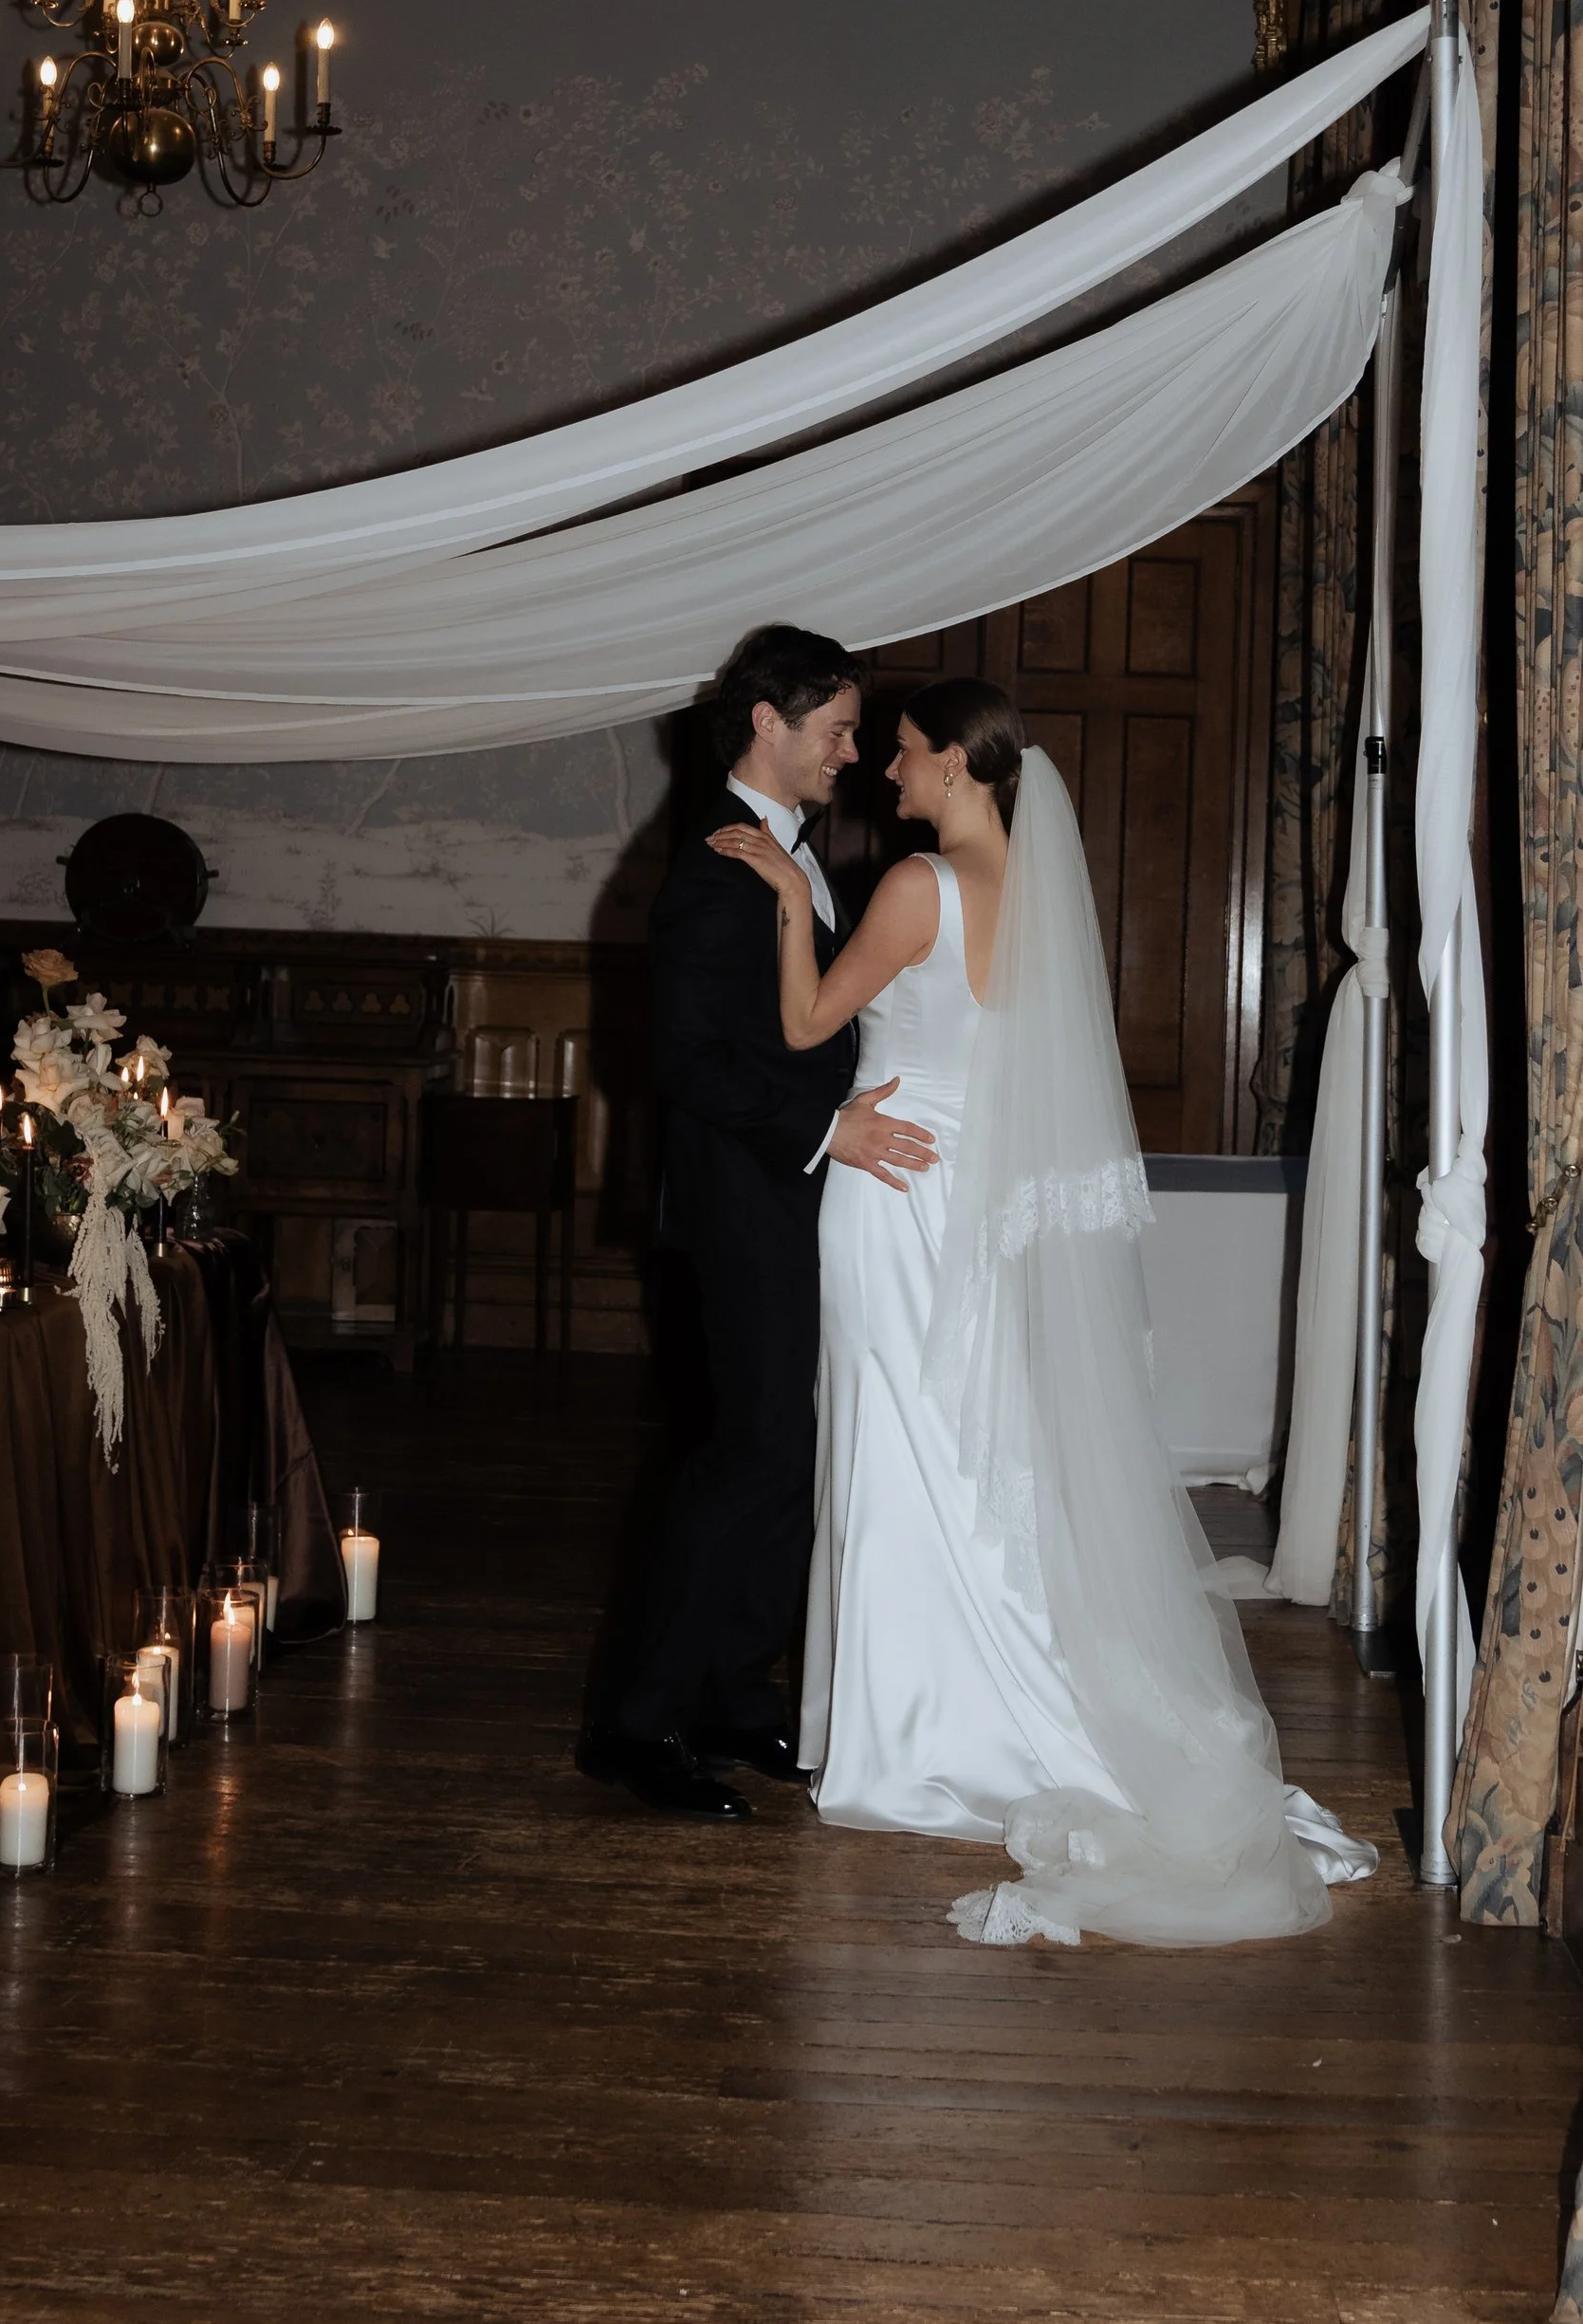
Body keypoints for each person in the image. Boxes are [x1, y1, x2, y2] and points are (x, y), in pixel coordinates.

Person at [709, 679, 1376, 1944]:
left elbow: (806, 1026)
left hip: (893, 1190)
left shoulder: (918, 885)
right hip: (982, 1203)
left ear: (957, 762)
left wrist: (792, 902)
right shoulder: (1045, 896)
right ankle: (972, 1705)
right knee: (969, 1451)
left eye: (903, 753)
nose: (885, 772)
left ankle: (918, 1734)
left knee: (900, 1449)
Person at [580, 625, 930, 1822]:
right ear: (765, 725)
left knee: (785, 1462)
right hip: (743, 1207)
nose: (850, 750)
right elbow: (687, 1064)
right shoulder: (709, 866)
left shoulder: (787, 851)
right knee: (746, 1460)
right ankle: (637, 1726)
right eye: (834, 729)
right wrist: (830, 1131)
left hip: (790, 1202)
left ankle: (729, 1695)